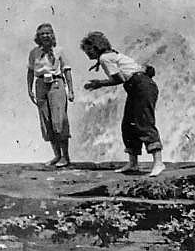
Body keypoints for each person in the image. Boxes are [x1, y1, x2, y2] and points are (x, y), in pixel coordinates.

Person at [80, 32, 165, 177]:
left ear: (96, 47)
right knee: (128, 124)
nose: (87, 54)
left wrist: (98, 83)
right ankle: (133, 163)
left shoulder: (104, 58)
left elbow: (118, 79)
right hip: (139, 86)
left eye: (89, 50)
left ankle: (158, 163)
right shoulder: (110, 55)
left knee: (144, 123)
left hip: (141, 87)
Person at [26, 22, 75, 168]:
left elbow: (67, 70)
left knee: (59, 120)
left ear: (52, 35)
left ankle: (66, 157)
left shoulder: (59, 50)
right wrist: (29, 89)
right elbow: (30, 71)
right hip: (40, 84)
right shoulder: (34, 52)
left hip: (56, 84)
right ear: (38, 37)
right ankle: (57, 155)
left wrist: (71, 90)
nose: (45, 36)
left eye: (48, 33)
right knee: (46, 121)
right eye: (42, 34)